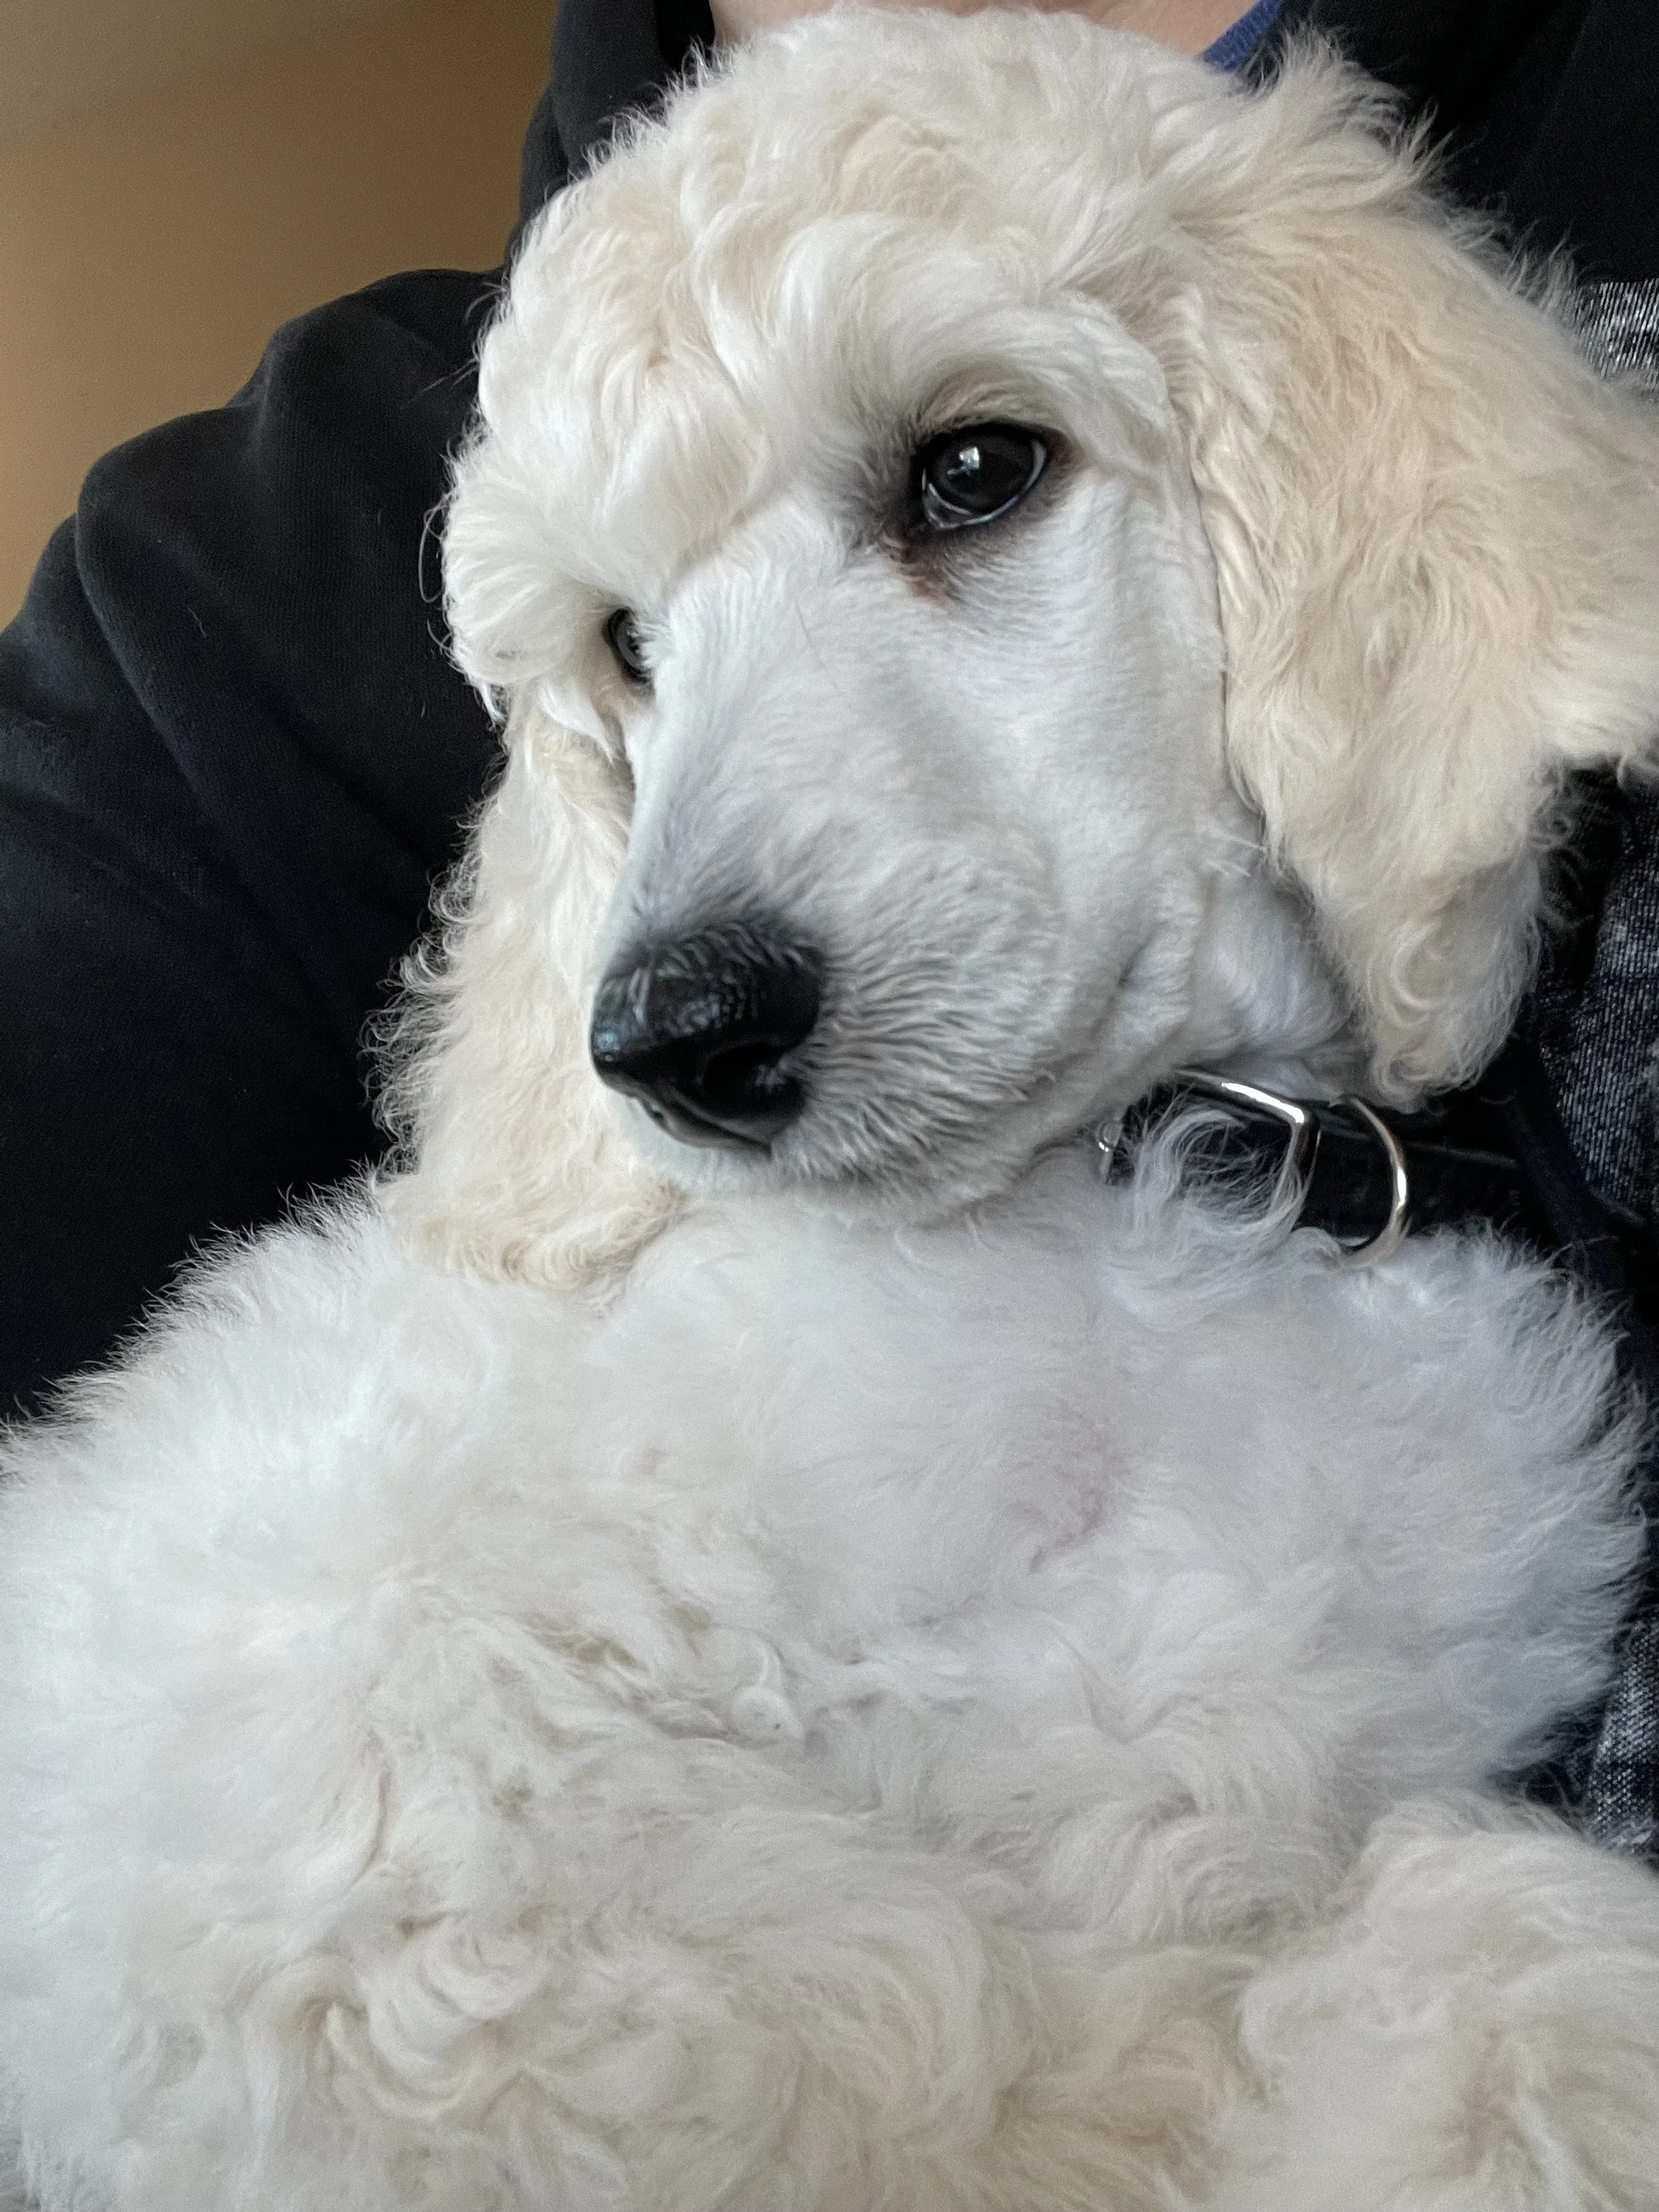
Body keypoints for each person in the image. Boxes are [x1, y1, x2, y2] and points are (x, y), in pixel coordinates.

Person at [1, 0, 1656, 1840]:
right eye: (629, 644)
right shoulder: (212, 593)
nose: (695, 914)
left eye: (969, 475)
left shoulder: (1302, 261)